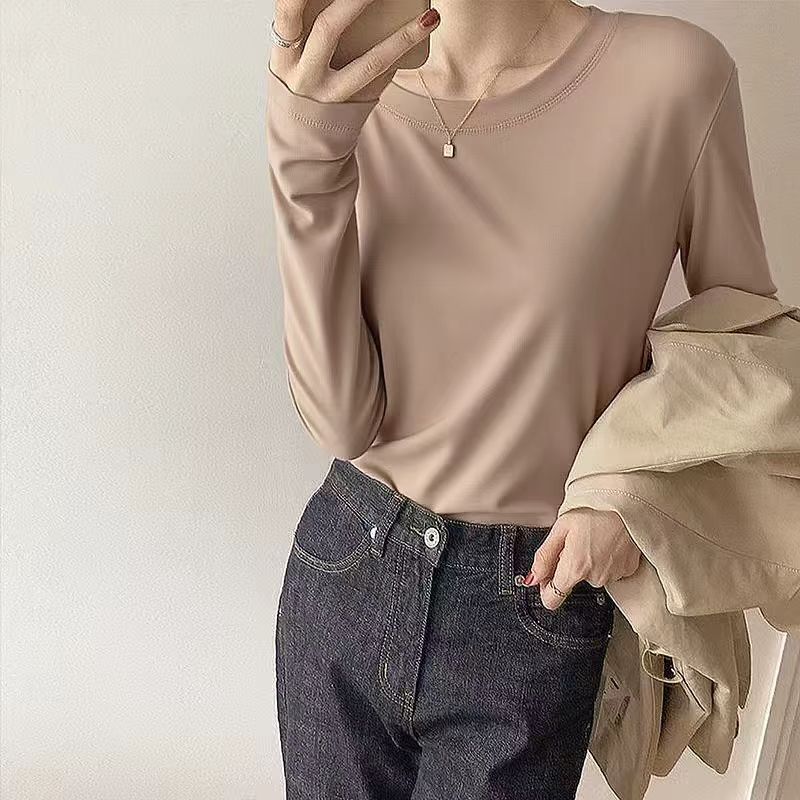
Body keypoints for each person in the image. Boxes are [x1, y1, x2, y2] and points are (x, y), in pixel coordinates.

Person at [265, 1, 779, 797]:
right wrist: (306, 160)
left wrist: (630, 497)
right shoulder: (347, 90)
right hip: (347, 564)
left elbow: (749, 355)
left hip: (529, 602)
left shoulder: (673, 77)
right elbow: (342, 420)